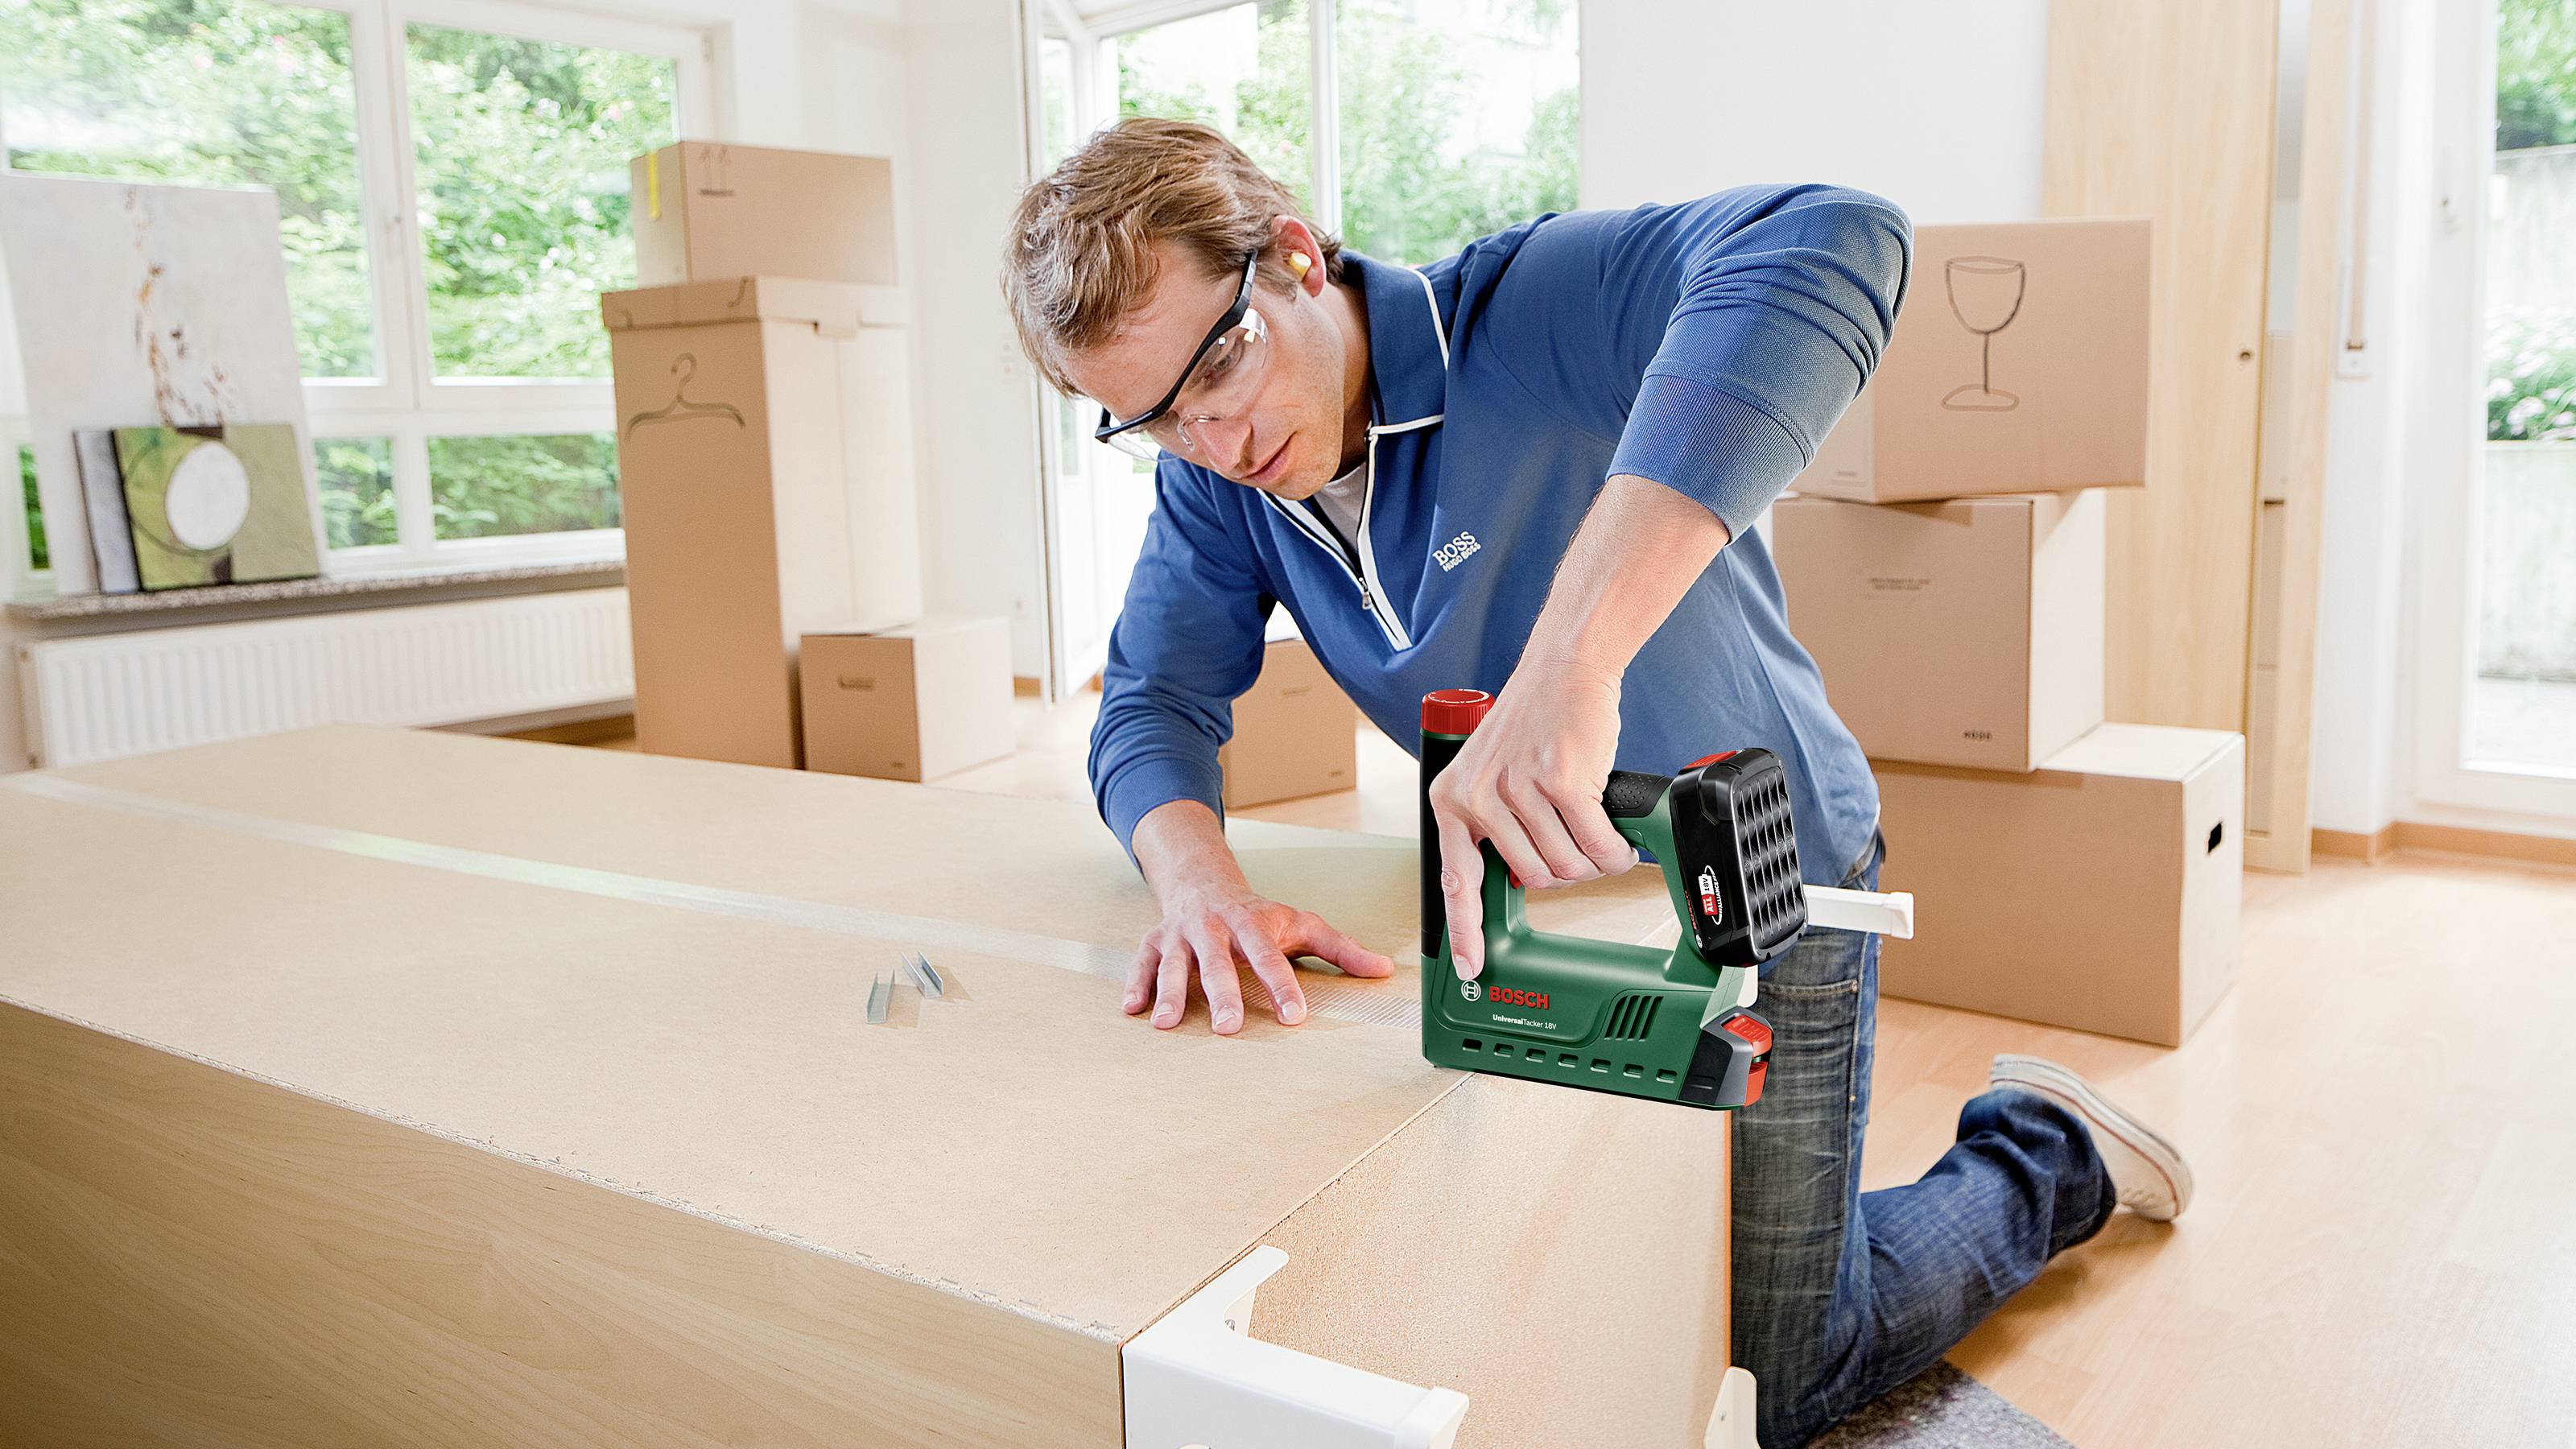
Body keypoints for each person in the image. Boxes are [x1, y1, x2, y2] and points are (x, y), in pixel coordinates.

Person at [1001, 117, 2192, 1447]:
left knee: (1786, 1369)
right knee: (1589, 1290)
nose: (1214, 438)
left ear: (1290, 257)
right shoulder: (1224, 489)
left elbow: (1838, 238)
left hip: (1763, 877)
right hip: (1550, 909)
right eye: (1153, 418)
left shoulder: (1523, 313)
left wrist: (1573, 659)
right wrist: (1200, 882)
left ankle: (2045, 1150)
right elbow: (1157, 697)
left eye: (1219, 364)